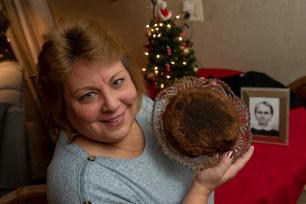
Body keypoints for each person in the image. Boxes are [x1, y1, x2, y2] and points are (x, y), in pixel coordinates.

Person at [37, 18, 254, 204]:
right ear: (61, 106)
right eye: (88, 95)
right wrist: (201, 190)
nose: (112, 104)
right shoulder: (84, 189)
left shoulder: (138, 107)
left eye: (117, 81)